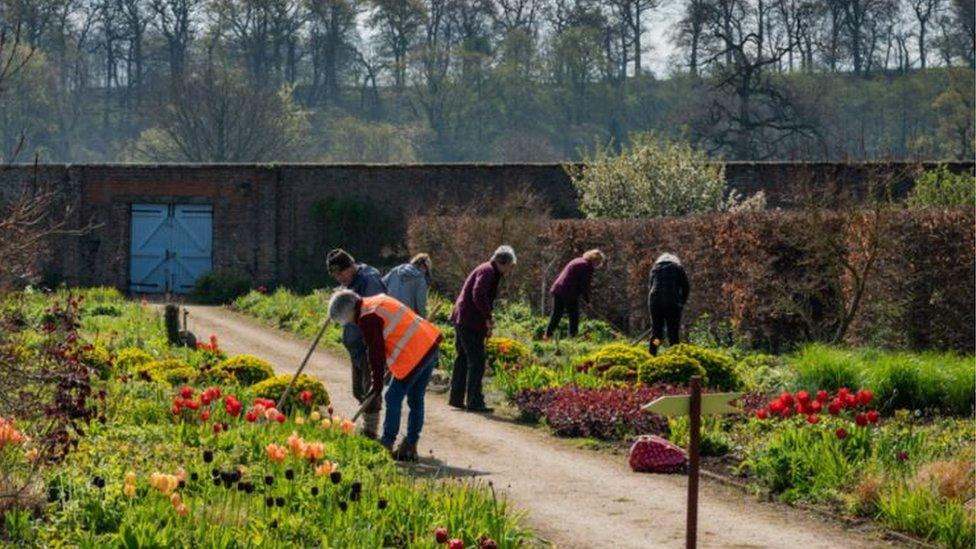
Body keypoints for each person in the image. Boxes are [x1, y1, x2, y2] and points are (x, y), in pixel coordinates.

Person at [327, 289, 441, 462]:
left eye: (345, 321)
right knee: (416, 399)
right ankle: (410, 445)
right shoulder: (377, 300)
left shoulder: (367, 317)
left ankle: (387, 443)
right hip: (429, 343)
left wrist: (377, 385)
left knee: (392, 397)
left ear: (346, 313)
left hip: (413, 354)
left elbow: (376, 353)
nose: (349, 324)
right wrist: (377, 382)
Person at [448, 245, 517, 413]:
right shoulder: (488, 271)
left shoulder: (485, 268)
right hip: (470, 320)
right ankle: (474, 401)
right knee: (476, 361)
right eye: (510, 266)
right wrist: (488, 316)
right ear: (503, 262)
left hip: (462, 317)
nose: (509, 270)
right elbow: (478, 293)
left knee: (463, 358)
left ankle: (456, 398)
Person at [326, 248, 387, 438]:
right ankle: (366, 426)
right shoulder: (350, 282)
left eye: (341, 273)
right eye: (335, 275)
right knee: (358, 390)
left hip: (368, 346)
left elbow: (375, 315)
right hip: (355, 349)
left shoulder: (369, 282)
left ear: (351, 266)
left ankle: (370, 431)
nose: (339, 278)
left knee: (370, 390)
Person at [545, 249, 605, 339]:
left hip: (558, 288)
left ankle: (547, 336)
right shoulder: (587, 266)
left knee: (556, 314)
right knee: (574, 316)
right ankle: (573, 337)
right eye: (598, 262)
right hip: (568, 291)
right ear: (595, 260)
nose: (598, 264)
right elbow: (584, 285)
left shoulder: (577, 260)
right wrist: (587, 301)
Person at [647, 252, 690, 355]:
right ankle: (675, 356)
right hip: (672, 303)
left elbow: (651, 286)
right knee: (673, 333)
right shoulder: (678, 268)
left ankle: (652, 353)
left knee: (657, 334)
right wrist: (682, 303)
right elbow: (686, 287)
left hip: (655, 303)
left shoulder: (655, 269)